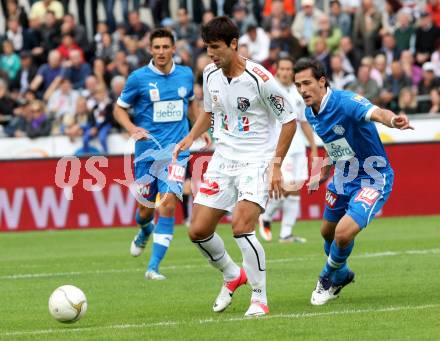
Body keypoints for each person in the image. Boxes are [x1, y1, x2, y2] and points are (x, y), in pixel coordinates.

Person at [173, 16, 297, 317]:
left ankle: (259, 297)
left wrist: (276, 166)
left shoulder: (260, 79)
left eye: (216, 47)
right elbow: (209, 111)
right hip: (222, 160)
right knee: (197, 230)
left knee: (242, 227)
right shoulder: (210, 74)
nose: (211, 54)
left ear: (233, 44)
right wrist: (190, 137)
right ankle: (232, 274)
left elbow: (289, 121)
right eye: (207, 48)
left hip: (256, 161)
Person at [293, 58, 413, 306]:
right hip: (343, 177)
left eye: (307, 83)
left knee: (343, 233)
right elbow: (336, 147)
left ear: (322, 81)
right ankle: (342, 274)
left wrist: (393, 121)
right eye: (298, 85)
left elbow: (376, 112)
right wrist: (322, 171)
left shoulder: (346, 102)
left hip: (373, 178)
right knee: (326, 232)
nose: (302, 90)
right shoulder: (309, 112)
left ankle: (327, 278)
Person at [114, 28, 210, 280]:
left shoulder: (186, 75)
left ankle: (153, 267)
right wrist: (132, 128)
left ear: (173, 48)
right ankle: (145, 230)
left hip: (177, 152)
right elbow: (119, 110)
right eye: (156, 47)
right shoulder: (138, 78)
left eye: (165, 47)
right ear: (150, 50)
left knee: (167, 204)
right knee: (145, 211)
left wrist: (197, 129)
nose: (161, 52)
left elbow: (190, 104)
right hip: (147, 156)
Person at [259, 56, 317, 243]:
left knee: (295, 188)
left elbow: (303, 122)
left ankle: (286, 234)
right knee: (286, 188)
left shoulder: (298, 92)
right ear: (276, 70)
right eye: (282, 68)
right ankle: (266, 216)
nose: (285, 72)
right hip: (280, 148)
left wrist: (314, 146)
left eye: (288, 69)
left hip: (298, 146)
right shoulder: (268, 89)